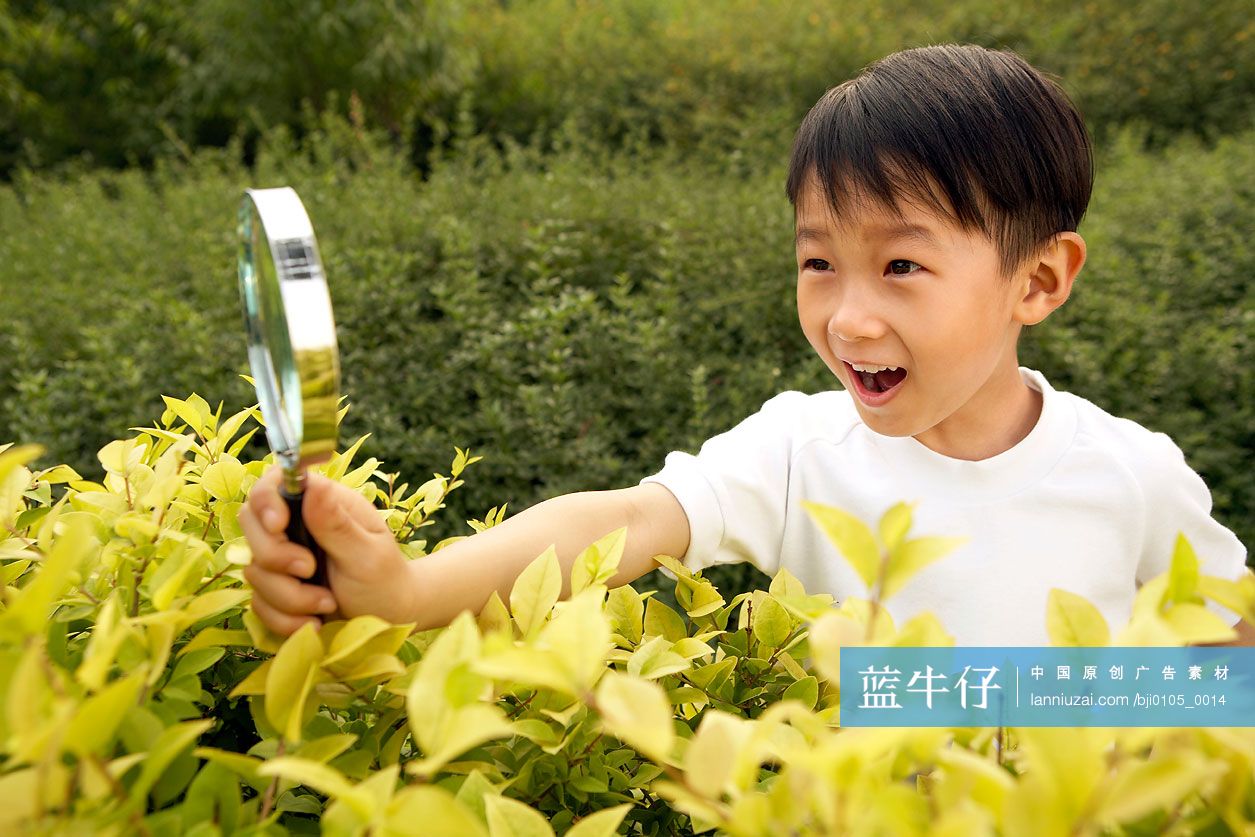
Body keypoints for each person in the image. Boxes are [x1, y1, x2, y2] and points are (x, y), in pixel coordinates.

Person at [240, 44, 1253, 647]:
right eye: (819, 264)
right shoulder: (799, 453)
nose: (847, 318)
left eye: (901, 268)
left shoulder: (1131, 475)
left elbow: (1230, 654)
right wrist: (409, 590)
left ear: (1037, 280)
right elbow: (624, 522)